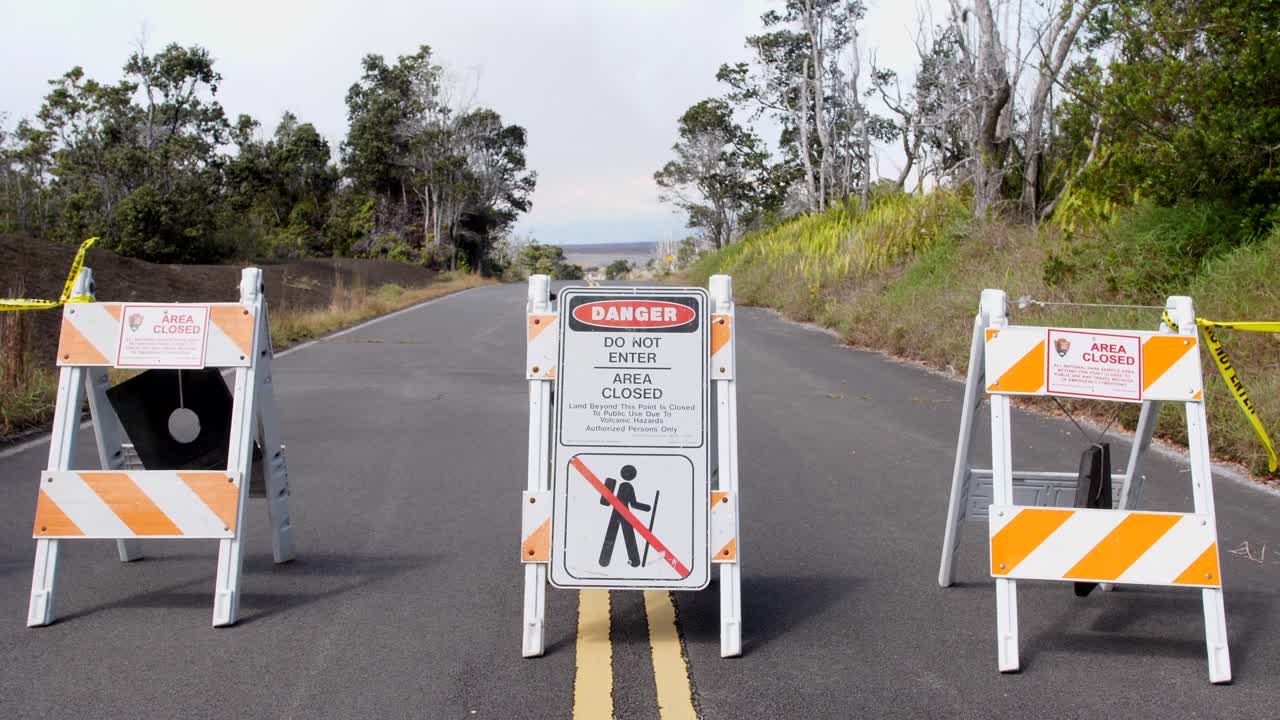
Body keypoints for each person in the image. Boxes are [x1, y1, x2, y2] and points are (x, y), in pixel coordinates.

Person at [598, 465, 651, 567]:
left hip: (618, 513)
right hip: (623, 514)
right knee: (627, 534)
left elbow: (605, 501)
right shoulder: (627, 486)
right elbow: (634, 504)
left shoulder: (624, 486)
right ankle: (634, 561)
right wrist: (647, 508)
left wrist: (647, 508)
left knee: (616, 534)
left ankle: (606, 561)